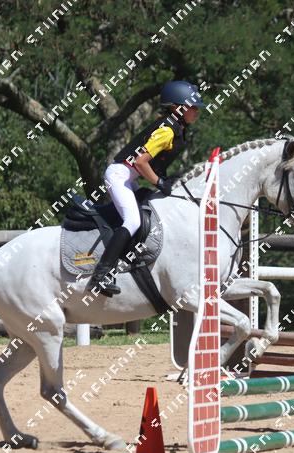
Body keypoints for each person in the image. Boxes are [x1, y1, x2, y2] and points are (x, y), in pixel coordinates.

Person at [87, 80, 206, 297]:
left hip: (129, 177)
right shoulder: (167, 130)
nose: (196, 111)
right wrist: (159, 183)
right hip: (119, 176)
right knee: (133, 221)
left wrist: (164, 181)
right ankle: (100, 274)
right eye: (192, 107)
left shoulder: (176, 128)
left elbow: (155, 165)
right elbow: (141, 162)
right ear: (177, 108)